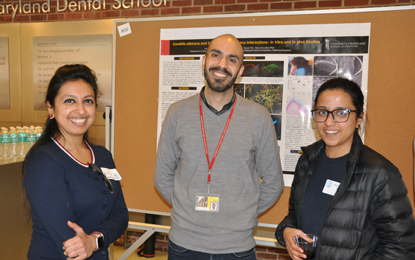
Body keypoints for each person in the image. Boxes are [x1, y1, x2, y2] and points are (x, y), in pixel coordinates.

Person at [154, 34, 284, 259]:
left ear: (240, 71)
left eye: (232, 60)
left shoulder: (259, 117)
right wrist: (187, 210)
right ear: (204, 61)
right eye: (216, 55)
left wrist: (242, 213)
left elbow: (274, 183)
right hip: (184, 245)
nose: (222, 65)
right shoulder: (177, 113)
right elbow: (162, 176)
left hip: (237, 248)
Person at [275, 77, 415, 260]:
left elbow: (401, 248)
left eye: (341, 113)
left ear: (359, 118)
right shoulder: (307, 162)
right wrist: (286, 231)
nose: (329, 122)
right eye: (322, 112)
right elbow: (295, 212)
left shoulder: (380, 174)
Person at [23, 64, 129, 260]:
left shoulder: (103, 155)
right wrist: (90, 243)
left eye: (88, 101)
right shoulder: (43, 161)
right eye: (70, 101)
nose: (80, 110)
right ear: (51, 108)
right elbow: (67, 240)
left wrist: (95, 240)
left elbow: (121, 214)